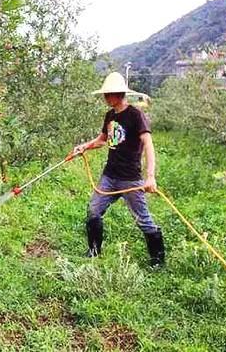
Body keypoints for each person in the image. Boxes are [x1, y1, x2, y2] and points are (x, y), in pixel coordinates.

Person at [70, 72, 165, 267]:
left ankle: (158, 260)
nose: (105, 97)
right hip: (109, 176)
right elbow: (102, 140)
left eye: (108, 94)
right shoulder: (110, 115)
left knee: (143, 220)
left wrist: (150, 177)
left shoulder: (135, 115)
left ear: (118, 93)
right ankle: (94, 251)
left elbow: (148, 145)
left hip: (130, 179)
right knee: (94, 211)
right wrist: (84, 147)